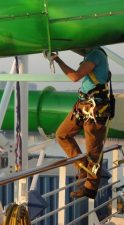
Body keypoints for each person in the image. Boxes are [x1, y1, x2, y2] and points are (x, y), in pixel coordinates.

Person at [51, 47, 112, 199]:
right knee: (62, 135)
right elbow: (81, 51)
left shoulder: (96, 54)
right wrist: (62, 47)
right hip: (83, 105)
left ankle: (90, 187)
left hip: (95, 108)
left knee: (93, 151)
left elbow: (75, 76)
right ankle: (83, 167)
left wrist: (57, 59)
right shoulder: (93, 53)